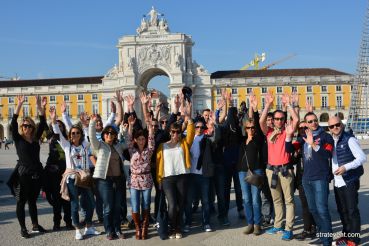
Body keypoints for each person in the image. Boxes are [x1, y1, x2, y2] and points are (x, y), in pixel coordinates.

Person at [51, 107, 100, 240]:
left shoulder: (85, 144)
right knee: (74, 204)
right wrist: (54, 118)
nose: (75, 135)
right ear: (70, 135)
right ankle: (78, 228)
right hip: (72, 178)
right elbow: (57, 132)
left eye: (77, 133)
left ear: (80, 134)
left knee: (90, 203)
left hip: (84, 177)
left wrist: (87, 123)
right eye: (72, 133)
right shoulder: (66, 145)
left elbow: (88, 132)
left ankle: (89, 226)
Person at [286, 112, 333, 246]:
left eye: (315, 120)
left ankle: (327, 240)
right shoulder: (302, 138)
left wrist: (313, 145)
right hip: (306, 179)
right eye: (310, 121)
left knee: (322, 209)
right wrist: (289, 136)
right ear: (306, 123)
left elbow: (328, 154)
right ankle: (322, 234)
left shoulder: (326, 137)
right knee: (312, 209)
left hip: (320, 178)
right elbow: (289, 148)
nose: (313, 123)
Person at [260, 92, 299, 241]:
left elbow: (295, 119)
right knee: (276, 200)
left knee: (289, 200)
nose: (279, 121)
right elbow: (261, 120)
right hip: (271, 170)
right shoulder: (269, 131)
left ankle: (288, 228)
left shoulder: (288, 131)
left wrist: (289, 105)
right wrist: (268, 104)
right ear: (273, 120)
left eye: (281, 118)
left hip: (285, 170)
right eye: (276, 119)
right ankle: (278, 224)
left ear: (284, 120)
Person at [156, 99, 194, 239]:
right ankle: (172, 227)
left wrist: (188, 117)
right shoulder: (162, 146)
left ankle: (178, 228)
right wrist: (159, 179)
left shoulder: (184, 143)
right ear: (170, 133)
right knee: (172, 205)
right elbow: (159, 165)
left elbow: (191, 133)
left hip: (182, 176)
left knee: (180, 204)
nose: (175, 134)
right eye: (173, 132)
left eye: (178, 132)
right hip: (167, 178)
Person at [11, 95, 48, 238]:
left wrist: (40, 107)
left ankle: (35, 225)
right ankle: (23, 228)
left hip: (36, 174)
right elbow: (13, 122)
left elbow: (43, 121)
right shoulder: (18, 139)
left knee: (33, 201)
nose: (25, 127)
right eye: (23, 125)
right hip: (22, 175)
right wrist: (19, 104)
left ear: (32, 128)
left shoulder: (35, 139)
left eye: (28, 125)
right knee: (21, 202)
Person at [328, 116, 366, 245]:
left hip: (349, 180)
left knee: (352, 210)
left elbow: (361, 158)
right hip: (338, 181)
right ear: (329, 129)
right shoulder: (330, 140)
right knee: (342, 210)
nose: (335, 128)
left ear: (342, 125)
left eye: (337, 124)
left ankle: (354, 239)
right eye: (332, 126)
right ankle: (346, 235)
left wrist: (346, 167)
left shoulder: (349, 139)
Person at [89, 114, 127, 240]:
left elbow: (127, 142)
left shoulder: (118, 146)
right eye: (107, 133)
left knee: (117, 206)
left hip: (118, 179)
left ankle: (118, 229)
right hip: (104, 180)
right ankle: (109, 230)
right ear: (104, 135)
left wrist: (127, 129)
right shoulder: (99, 145)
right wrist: (92, 123)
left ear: (115, 135)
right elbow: (92, 136)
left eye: (112, 133)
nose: (109, 135)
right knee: (108, 207)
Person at [237, 93, 265, 236]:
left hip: (256, 171)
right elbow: (243, 122)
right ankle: (249, 223)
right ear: (245, 128)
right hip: (242, 172)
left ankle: (257, 224)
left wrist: (253, 108)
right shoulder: (242, 140)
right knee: (246, 199)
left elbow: (257, 124)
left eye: (252, 128)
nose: (251, 130)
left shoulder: (258, 139)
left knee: (255, 199)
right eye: (248, 128)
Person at [184, 117, 216, 233]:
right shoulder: (189, 139)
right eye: (197, 127)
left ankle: (206, 223)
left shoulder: (208, 140)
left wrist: (213, 125)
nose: (199, 129)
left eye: (202, 127)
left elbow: (216, 139)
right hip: (191, 175)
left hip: (204, 175)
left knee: (206, 201)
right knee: (189, 201)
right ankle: (187, 222)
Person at [127, 114, 155, 240]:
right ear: (136, 140)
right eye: (139, 139)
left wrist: (149, 125)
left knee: (146, 204)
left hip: (146, 180)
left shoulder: (148, 150)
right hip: (134, 181)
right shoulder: (132, 150)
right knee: (134, 205)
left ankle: (145, 227)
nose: (141, 141)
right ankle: (138, 227)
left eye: (143, 139)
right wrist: (130, 127)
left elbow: (151, 139)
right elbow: (128, 139)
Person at [44, 120, 73, 231]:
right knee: (56, 199)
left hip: (66, 170)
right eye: (56, 126)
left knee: (67, 199)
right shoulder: (50, 137)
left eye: (60, 126)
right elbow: (43, 123)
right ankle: (56, 222)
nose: (58, 127)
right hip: (54, 171)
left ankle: (68, 222)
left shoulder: (67, 139)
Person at [291, 121, 316, 241]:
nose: (302, 129)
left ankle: (315, 227)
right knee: (305, 205)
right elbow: (292, 161)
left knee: (315, 205)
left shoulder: (315, 139)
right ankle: (307, 229)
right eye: (299, 127)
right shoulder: (298, 142)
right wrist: (295, 155)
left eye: (304, 127)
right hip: (301, 177)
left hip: (314, 177)